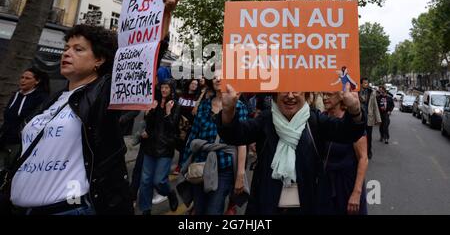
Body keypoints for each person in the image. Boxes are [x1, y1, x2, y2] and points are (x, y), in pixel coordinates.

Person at [7, 0, 181, 215]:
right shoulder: (51, 100)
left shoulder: (102, 94)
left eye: (79, 49)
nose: (68, 52)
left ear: (99, 60)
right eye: (67, 47)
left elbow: (145, 57)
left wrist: (166, 13)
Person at [219, 83, 365, 215]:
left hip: (309, 205)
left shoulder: (315, 121)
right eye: (283, 90)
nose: (290, 96)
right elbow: (235, 135)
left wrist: (355, 111)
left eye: (296, 90)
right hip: (267, 205)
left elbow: (348, 132)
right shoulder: (265, 120)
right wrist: (228, 112)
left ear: (306, 95)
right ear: (275, 95)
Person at [178, 70, 248, 215]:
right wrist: (185, 165)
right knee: (199, 209)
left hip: (224, 168)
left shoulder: (239, 106)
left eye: (222, 75)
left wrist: (240, 174)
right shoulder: (203, 106)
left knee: (214, 210)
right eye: (214, 76)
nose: (217, 79)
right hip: (199, 165)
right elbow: (193, 136)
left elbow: (242, 142)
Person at [321, 91, 368, 215]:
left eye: (329, 95)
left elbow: (363, 158)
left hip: (347, 186)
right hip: (326, 186)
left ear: (341, 96)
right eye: (323, 94)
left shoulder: (350, 123)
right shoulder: (322, 119)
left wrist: (356, 193)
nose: (325, 98)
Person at [138, 79, 180, 215]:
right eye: (162, 87)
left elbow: (173, 128)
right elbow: (149, 125)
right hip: (150, 146)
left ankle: (170, 192)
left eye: (167, 87)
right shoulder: (155, 102)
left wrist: (168, 112)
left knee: (159, 181)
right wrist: (150, 111)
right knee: (145, 181)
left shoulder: (175, 105)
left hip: (165, 147)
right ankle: (146, 209)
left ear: (171, 89)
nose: (164, 90)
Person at [0, 67, 49, 170]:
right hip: (5, 138)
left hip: (21, 142)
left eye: (27, 78)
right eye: (22, 77)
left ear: (37, 81)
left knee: (11, 169)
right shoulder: (16, 95)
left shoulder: (41, 98)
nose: (23, 80)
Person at [358, 78, 381, 159]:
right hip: (360, 118)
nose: (366, 84)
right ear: (361, 84)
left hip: (369, 118)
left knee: (369, 136)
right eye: (364, 83)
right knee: (359, 136)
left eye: (367, 83)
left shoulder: (372, 92)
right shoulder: (357, 92)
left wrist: (378, 119)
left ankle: (369, 151)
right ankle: (360, 152)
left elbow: (375, 106)